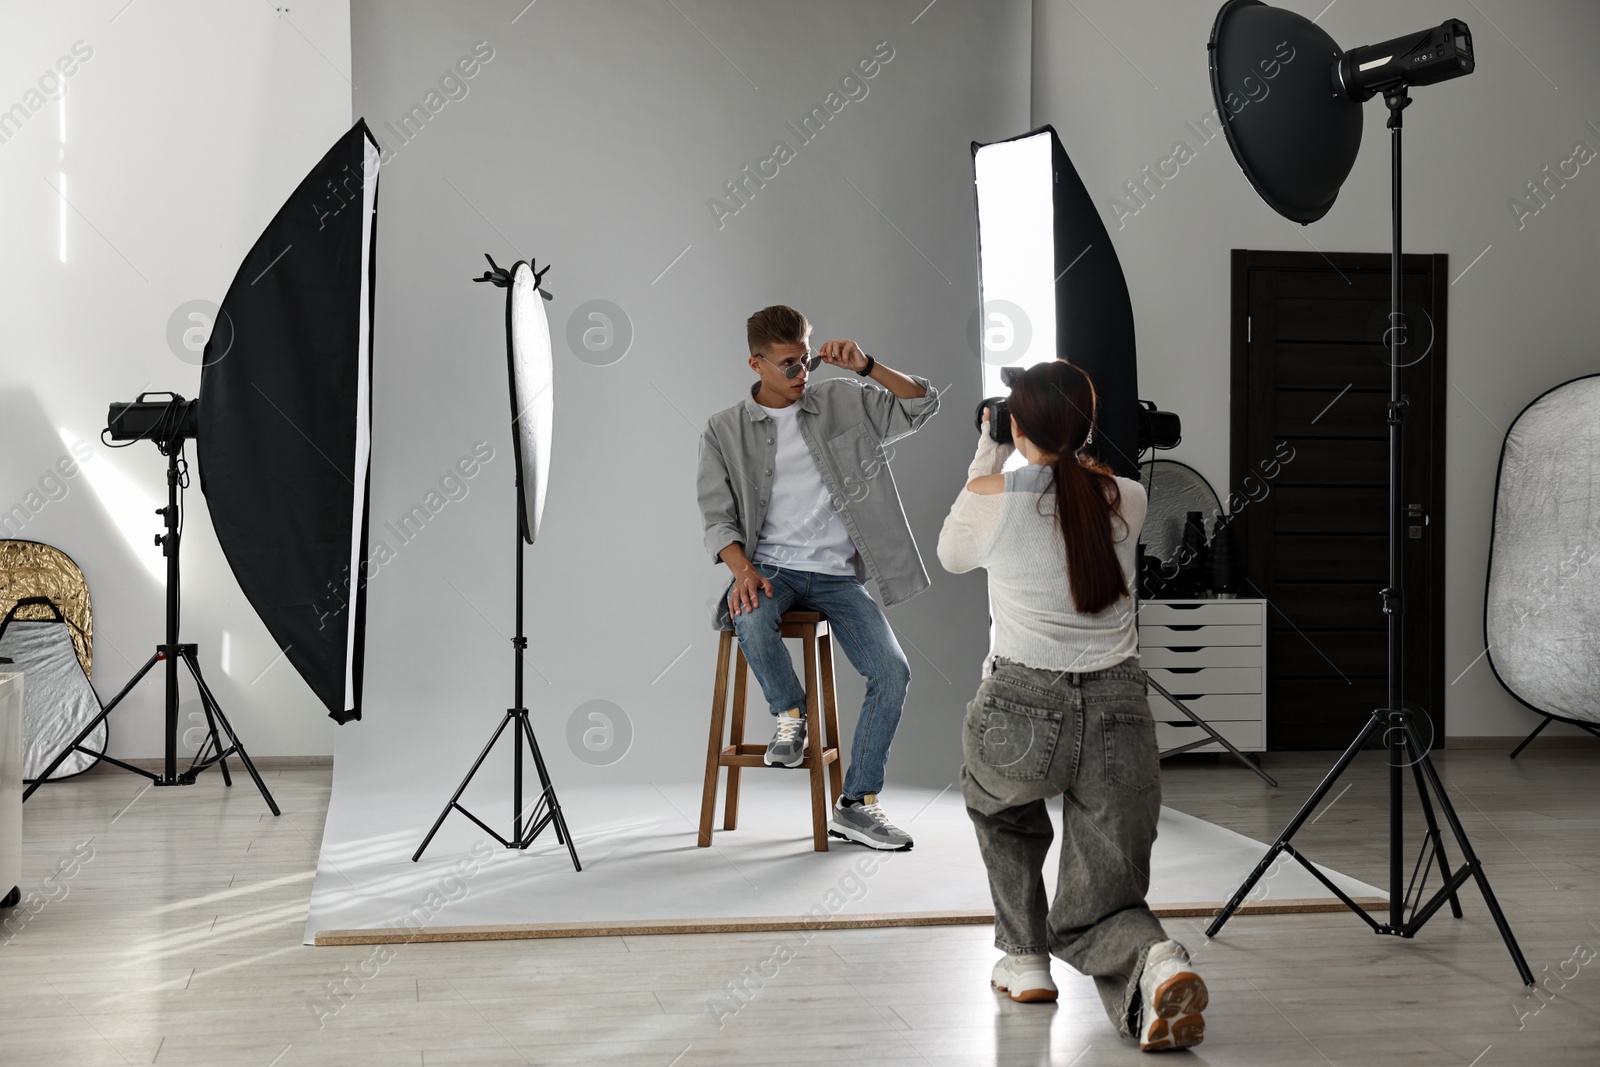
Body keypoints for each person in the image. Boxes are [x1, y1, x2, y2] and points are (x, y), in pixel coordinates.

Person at [935, 360, 1208, 1052]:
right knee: (1101, 897)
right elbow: (1076, 481)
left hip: (1021, 712)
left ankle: (1025, 958)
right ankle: (1156, 959)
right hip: (1122, 714)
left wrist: (989, 440)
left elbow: (951, 553)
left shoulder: (992, 495)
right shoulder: (1131, 498)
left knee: (998, 803)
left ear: (1016, 425)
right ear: (1089, 423)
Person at [697, 305, 940, 850]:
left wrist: (868, 366)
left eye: (805, 359)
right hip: (770, 570)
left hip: (835, 577)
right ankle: (790, 715)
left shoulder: (841, 400)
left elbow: (922, 405)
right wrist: (742, 570)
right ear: (755, 363)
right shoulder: (724, 429)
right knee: (749, 616)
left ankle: (857, 805)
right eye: (787, 364)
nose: (801, 372)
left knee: (893, 673)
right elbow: (717, 517)